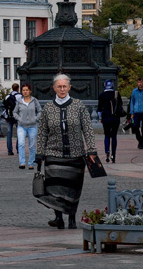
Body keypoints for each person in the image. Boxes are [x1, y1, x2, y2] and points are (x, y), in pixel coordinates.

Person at [34, 73, 98, 229]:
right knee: (54, 189)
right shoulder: (48, 108)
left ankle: (71, 218)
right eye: (59, 86)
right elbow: (42, 132)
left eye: (64, 86)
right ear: (54, 88)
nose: (62, 89)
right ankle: (58, 218)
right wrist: (39, 153)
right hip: (54, 154)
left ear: (69, 87)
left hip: (75, 155)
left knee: (73, 189)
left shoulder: (79, 106)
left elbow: (88, 129)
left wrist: (91, 150)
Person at [13, 84, 40, 169]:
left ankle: (31, 163)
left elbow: (39, 111)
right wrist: (19, 119)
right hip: (21, 125)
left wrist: (35, 118)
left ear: (30, 91)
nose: (25, 92)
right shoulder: (19, 102)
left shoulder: (34, 101)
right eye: (23, 90)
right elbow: (15, 112)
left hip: (32, 126)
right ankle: (22, 163)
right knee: (21, 143)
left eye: (27, 90)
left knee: (32, 145)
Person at [97, 81, 124, 163]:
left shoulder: (102, 95)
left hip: (106, 117)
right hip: (115, 117)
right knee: (114, 136)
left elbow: (99, 109)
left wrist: (100, 118)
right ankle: (113, 155)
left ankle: (107, 152)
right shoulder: (116, 94)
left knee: (107, 135)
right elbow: (120, 104)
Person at [3, 83, 21, 156]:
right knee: (19, 133)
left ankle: (9, 150)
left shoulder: (7, 96)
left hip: (9, 116)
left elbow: (4, 106)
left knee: (9, 133)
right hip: (17, 116)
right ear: (18, 88)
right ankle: (18, 149)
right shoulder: (20, 97)